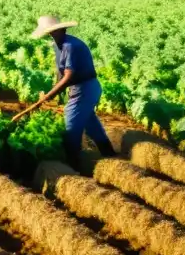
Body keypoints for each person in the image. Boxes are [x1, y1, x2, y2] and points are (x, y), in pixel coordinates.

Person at [13, 16, 116, 169]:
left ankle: (75, 166)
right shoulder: (57, 45)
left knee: (71, 127)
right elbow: (60, 72)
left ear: (63, 29)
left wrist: (49, 95)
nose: (52, 35)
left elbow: (69, 76)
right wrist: (54, 91)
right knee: (90, 122)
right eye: (50, 33)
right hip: (82, 89)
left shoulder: (71, 46)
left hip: (85, 88)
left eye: (55, 31)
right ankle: (110, 154)